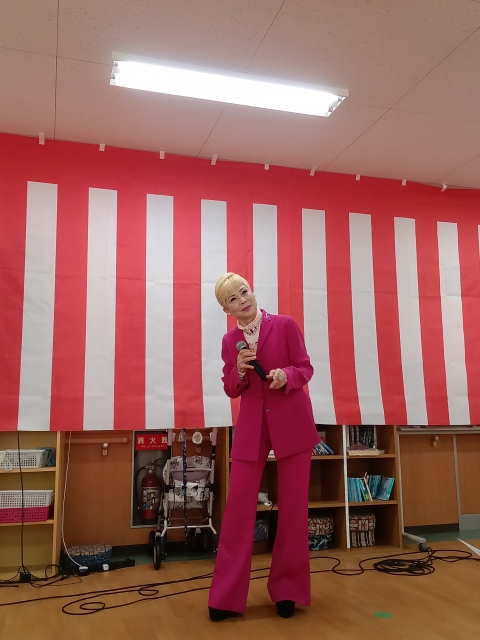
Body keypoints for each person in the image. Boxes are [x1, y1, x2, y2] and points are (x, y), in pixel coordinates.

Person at [208, 272, 320, 621]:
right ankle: (225, 598)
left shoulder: (285, 325)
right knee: (238, 510)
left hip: (293, 421)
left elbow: (305, 368)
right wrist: (240, 372)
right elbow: (231, 388)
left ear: (253, 292)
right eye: (233, 299)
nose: (242, 300)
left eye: (244, 292)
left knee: (293, 510)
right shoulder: (230, 341)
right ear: (226, 309)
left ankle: (288, 591)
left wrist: (287, 375)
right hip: (252, 426)